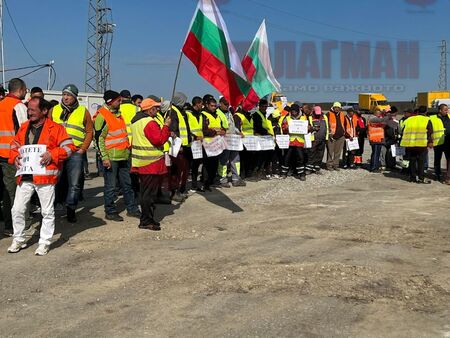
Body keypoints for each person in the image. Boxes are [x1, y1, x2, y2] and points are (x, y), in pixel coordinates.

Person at [7, 97, 75, 255]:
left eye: (32, 110)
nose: (29, 113)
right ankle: (19, 239)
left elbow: (69, 147)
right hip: (25, 176)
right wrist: (15, 156)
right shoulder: (24, 127)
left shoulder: (56, 128)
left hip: (45, 178)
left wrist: (52, 154)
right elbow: (14, 145)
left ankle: (44, 241)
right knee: (17, 209)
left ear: (44, 111)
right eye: (28, 109)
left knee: (47, 212)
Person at [94, 90, 141, 221]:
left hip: (123, 156)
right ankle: (110, 211)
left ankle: (132, 209)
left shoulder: (118, 115)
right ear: (110, 102)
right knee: (110, 187)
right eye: (118, 100)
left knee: (127, 185)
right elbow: (98, 139)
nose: (121, 102)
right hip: (111, 158)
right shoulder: (102, 116)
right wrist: (104, 158)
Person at [50, 84, 93, 223]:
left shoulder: (82, 111)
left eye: (69, 95)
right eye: (64, 94)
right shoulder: (54, 110)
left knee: (74, 183)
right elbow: (47, 130)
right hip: (58, 152)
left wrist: (83, 148)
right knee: (55, 180)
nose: (66, 97)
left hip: (75, 152)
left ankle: (71, 208)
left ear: (75, 97)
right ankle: (55, 205)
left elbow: (89, 131)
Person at [130, 98, 170, 231]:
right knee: (148, 194)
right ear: (149, 109)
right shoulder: (149, 122)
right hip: (150, 163)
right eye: (155, 108)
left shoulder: (136, 121)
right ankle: (146, 220)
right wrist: (166, 126)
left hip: (142, 162)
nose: (157, 110)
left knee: (146, 193)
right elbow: (159, 140)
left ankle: (147, 218)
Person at [0, 78, 28, 237]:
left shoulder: (1, 104)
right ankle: (15, 227)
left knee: (5, 192)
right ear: (21, 89)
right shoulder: (18, 106)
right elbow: (25, 132)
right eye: (25, 90)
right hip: (12, 157)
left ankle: (8, 224)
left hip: (2, 155)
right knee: (14, 193)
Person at [217, 97, 246, 187]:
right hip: (225, 140)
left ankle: (235, 179)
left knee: (235, 159)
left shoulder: (229, 113)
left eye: (228, 104)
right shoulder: (218, 113)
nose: (227, 105)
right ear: (220, 103)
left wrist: (238, 132)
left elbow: (232, 126)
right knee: (224, 160)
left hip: (233, 140)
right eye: (225, 104)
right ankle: (222, 179)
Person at [400, 105, 433, 183]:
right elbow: (430, 131)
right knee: (421, 162)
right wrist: (430, 142)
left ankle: (412, 178)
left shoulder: (409, 119)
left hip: (410, 144)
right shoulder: (427, 119)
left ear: (418, 111)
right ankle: (421, 178)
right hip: (421, 144)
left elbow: (402, 129)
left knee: (412, 160)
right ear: (426, 112)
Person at [168, 92, 191, 201]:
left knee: (181, 169)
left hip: (183, 145)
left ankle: (178, 190)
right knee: (175, 170)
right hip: (177, 147)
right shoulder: (173, 112)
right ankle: (174, 192)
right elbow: (173, 130)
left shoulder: (180, 111)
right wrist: (178, 145)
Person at [201, 97, 225, 190]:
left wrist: (223, 130)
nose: (214, 108)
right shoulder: (204, 115)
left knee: (214, 164)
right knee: (207, 164)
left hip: (217, 143)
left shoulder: (217, 115)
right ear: (207, 105)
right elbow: (204, 130)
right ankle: (205, 183)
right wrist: (216, 132)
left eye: (215, 106)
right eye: (212, 106)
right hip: (207, 143)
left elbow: (221, 127)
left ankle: (211, 181)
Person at [280, 104, 308, 180]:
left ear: (298, 111)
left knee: (301, 158)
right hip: (290, 141)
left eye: (295, 111)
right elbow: (283, 128)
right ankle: (284, 173)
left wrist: (310, 128)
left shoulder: (303, 118)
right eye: (292, 111)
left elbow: (308, 128)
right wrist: (285, 128)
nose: (294, 112)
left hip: (299, 141)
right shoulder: (287, 118)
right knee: (287, 158)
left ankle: (301, 174)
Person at [252, 99, 274, 179]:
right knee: (259, 157)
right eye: (263, 106)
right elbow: (258, 127)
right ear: (259, 106)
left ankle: (260, 172)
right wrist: (267, 132)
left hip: (264, 138)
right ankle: (256, 172)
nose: (264, 108)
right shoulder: (257, 114)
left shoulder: (263, 114)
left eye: (266, 106)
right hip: (259, 137)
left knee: (264, 156)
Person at [430, 103, 450, 183]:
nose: (447, 111)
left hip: (448, 142)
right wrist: (430, 141)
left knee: (448, 159)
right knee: (437, 159)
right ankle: (437, 174)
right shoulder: (432, 118)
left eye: (447, 109)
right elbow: (429, 130)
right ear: (440, 110)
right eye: (445, 110)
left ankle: (448, 175)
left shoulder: (449, 117)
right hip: (438, 142)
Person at [234, 106, 254, 180]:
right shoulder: (237, 115)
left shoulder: (249, 115)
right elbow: (236, 128)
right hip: (242, 140)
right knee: (242, 158)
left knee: (249, 158)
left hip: (251, 141)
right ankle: (241, 174)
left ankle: (248, 173)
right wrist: (240, 131)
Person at [307, 106, 328, 174]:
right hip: (313, 139)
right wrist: (313, 128)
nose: (318, 114)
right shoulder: (310, 117)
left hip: (322, 139)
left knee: (320, 154)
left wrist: (326, 138)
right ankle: (309, 168)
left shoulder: (325, 117)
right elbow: (308, 127)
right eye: (317, 113)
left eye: (319, 113)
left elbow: (327, 127)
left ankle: (317, 168)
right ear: (313, 111)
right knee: (311, 154)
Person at [326, 102, 347, 171]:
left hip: (340, 136)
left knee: (338, 152)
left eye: (338, 107)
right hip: (331, 136)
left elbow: (345, 124)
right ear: (333, 107)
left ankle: (336, 165)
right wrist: (329, 134)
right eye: (335, 107)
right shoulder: (328, 114)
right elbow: (326, 125)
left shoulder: (342, 114)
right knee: (330, 152)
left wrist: (344, 133)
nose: (337, 109)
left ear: (340, 108)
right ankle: (329, 165)